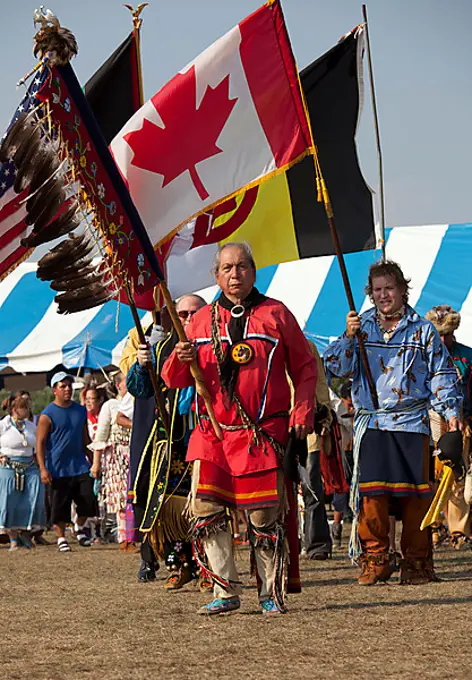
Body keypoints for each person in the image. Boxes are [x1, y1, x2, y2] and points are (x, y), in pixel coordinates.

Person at [162, 242, 316, 615]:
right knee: (207, 509)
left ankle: (268, 591)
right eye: (227, 268)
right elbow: (173, 378)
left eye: (242, 267)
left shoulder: (275, 314)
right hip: (212, 434)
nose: (235, 274)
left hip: (260, 434)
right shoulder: (199, 322)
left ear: (253, 272)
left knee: (264, 516)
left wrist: (302, 412)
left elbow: (305, 367)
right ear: (216, 275)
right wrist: (179, 358)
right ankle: (224, 589)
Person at [325, 260, 463, 585]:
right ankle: (376, 560)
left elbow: (441, 374)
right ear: (370, 294)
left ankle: (416, 564)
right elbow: (334, 367)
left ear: (403, 289)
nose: (384, 295)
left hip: (413, 424)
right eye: (377, 289)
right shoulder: (362, 328)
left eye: (390, 288)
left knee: (415, 498)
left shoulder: (422, 330)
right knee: (373, 497)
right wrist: (348, 336)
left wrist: (452, 413)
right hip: (373, 425)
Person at [127, 294, 208, 588]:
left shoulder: (218, 346)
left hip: (207, 436)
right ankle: (180, 564)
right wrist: (140, 365)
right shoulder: (160, 349)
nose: (187, 318)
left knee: (208, 504)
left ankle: (210, 568)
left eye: (194, 313)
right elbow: (140, 390)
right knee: (171, 507)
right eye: (182, 313)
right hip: (171, 442)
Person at [425, 304, 472, 549]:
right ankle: (434, 526)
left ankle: (458, 530)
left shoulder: (467, 356)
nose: (443, 339)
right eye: (439, 334)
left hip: (460, 423)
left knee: (457, 476)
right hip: (430, 422)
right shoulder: (423, 356)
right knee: (431, 476)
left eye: (447, 334)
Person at [36, 372, 98, 553]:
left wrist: (93, 460)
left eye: (69, 386)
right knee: (59, 505)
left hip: (80, 465)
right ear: (55, 390)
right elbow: (40, 443)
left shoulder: (80, 410)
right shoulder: (47, 415)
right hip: (57, 468)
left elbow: (85, 437)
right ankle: (61, 537)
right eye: (63, 386)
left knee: (88, 500)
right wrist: (43, 468)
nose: (68, 389)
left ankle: (78, 527)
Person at [89, 372, 138, 552]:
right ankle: (125, 539)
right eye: (127, 380)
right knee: (122, 499)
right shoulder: (110, 406)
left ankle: (136, 535)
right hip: (117, 457)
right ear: (118, 385)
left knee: (135, 496)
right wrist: (96, 464)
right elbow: (100, 436)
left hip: (135, 454)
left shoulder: (136, 403)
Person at [300, 340, 333, 559]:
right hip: (273, 425)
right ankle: (284, 542)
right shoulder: (260, 340)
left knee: (311, 486)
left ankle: (317, 544)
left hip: (308, 424)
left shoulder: (306, 345)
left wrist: (325, 413)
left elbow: (320, 381)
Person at [0, 395, 45, 550]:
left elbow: (39, 442)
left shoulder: (31, 426)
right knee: (9, 500)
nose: (28, 410)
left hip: (30, 465)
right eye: (24, 407)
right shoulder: (3, 425)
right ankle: (12, 537)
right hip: (9, 466)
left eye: (28, 407)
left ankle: (27, 531)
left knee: (35, 496)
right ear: (15, 410)